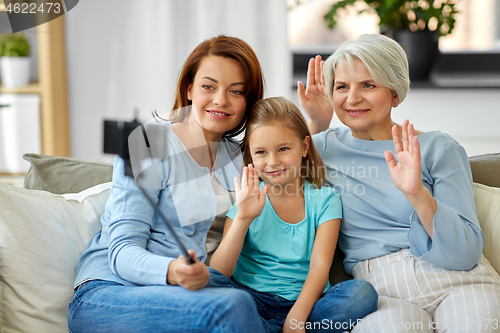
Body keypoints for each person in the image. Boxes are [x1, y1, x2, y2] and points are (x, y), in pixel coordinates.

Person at [297, 33, 500, 332]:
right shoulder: (322, 149)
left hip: (459, 278)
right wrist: (317, 123)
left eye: (368, 85)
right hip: (381, 291)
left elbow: (464, 252)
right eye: (341, 87)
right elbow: (290, 179)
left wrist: (418, 194)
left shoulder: (438, 148)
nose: (352, 98)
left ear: (395, 93)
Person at [68, 35, 267, 333]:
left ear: (247, 101)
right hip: (111, 292)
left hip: (188, 295)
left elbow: (291, 162)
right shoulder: (150, 142)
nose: (221, 100)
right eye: (208, 86)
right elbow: (122, 250)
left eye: (235, 91)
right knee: (233, 306)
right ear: (189, 89)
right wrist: (173, 271)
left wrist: (317, 122)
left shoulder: (239, 156)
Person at [209, 97, 378, 333]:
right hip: (247, 300)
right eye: (261, 152)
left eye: (283, 149)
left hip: (306, 306)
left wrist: (297, 318)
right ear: (250, 155)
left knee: (361, 293)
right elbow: (219, 271)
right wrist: (243, 218)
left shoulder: (325, 199)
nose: (273, 162)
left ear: (304, 147)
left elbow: (320, 266)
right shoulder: (247, 197)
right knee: (207, 278)